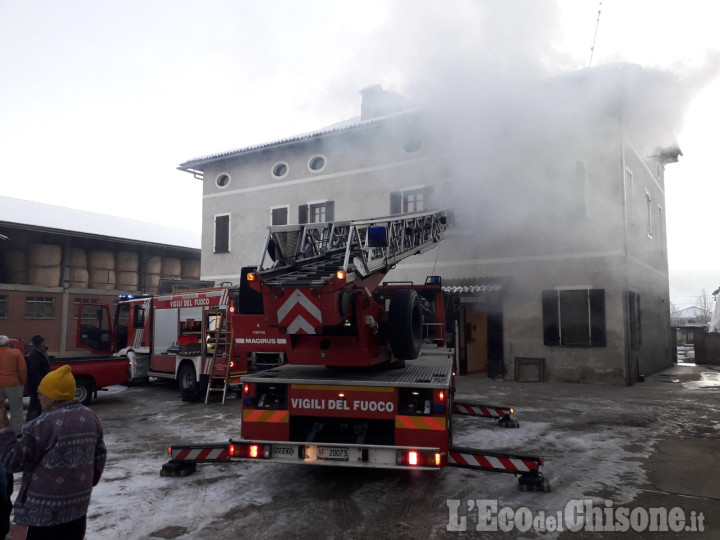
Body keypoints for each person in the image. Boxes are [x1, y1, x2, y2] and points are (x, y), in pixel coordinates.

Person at [0, 365, 106, 539]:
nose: (39, 397)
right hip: (77, 510)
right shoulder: (89, 417)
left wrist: (4, 429)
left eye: (43, 392)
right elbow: (100, 456)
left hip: (41, 517)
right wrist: (81, 484)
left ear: (55, 395)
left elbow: (12, 462)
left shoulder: (43, 424)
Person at [0, 336, 27, 436]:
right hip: (14, 384)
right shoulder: (16, 353)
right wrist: (22, 381)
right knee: (16, 409)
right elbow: (22, 370)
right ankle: (17, 432)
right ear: (8, 343)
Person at [24, 335, 51, 423]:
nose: (46, 343)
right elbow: (35, 372)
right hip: (37, 386)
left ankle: (36, 423)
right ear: (40, 344)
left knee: (39, 406)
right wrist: (41, 386)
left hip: (40, 385)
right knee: (35, 406)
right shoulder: (35, 355)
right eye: (44, 342)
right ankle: (30, 424)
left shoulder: (41, 352)